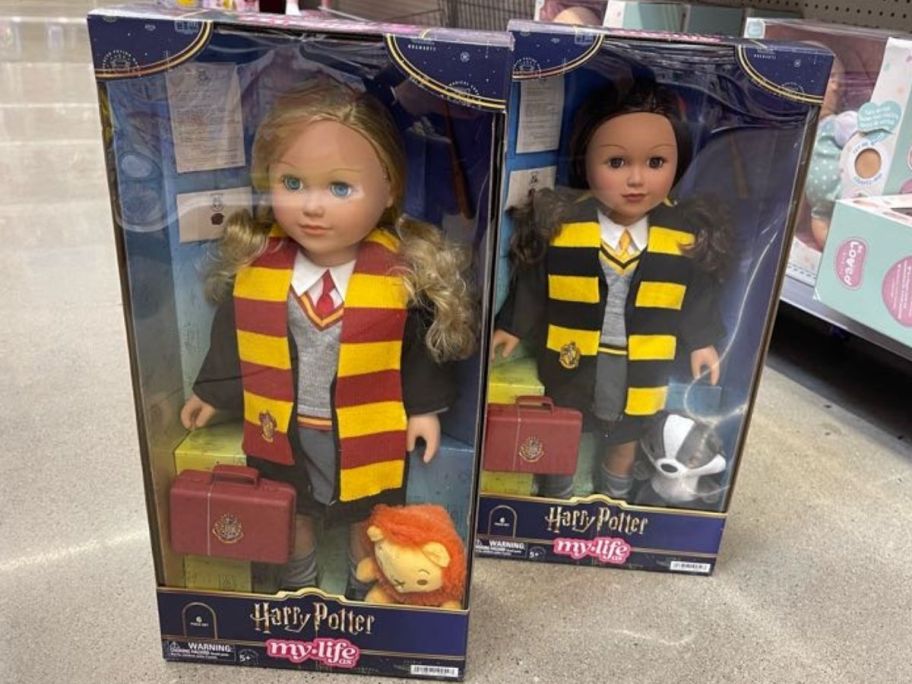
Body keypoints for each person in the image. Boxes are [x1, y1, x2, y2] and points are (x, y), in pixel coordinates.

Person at [179, 77, 475, 597]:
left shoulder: (397, 277)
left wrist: (423, 409)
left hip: (367, 427)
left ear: (389, 189)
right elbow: (232, 335)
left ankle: (363, 589)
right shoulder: (259, 272)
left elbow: (415, 352)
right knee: (292, 508)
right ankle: (299, 586)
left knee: (367, 514)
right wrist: (214, 390)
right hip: (284, 424)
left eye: (340, 188)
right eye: (293, 183)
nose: (312, 208)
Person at [491, 79, 729, 502]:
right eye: (616, 162)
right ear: (585, 158)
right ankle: (556, 499)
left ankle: (615, 501)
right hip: (572, 356)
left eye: (656, 162)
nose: (636, 179)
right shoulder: (564, 224)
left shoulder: (682, 234)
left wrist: (702, 340)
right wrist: (513, 325)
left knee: (627, 436)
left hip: (643, 359)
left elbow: (697, 294)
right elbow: (534, 282)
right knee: (563, 429)